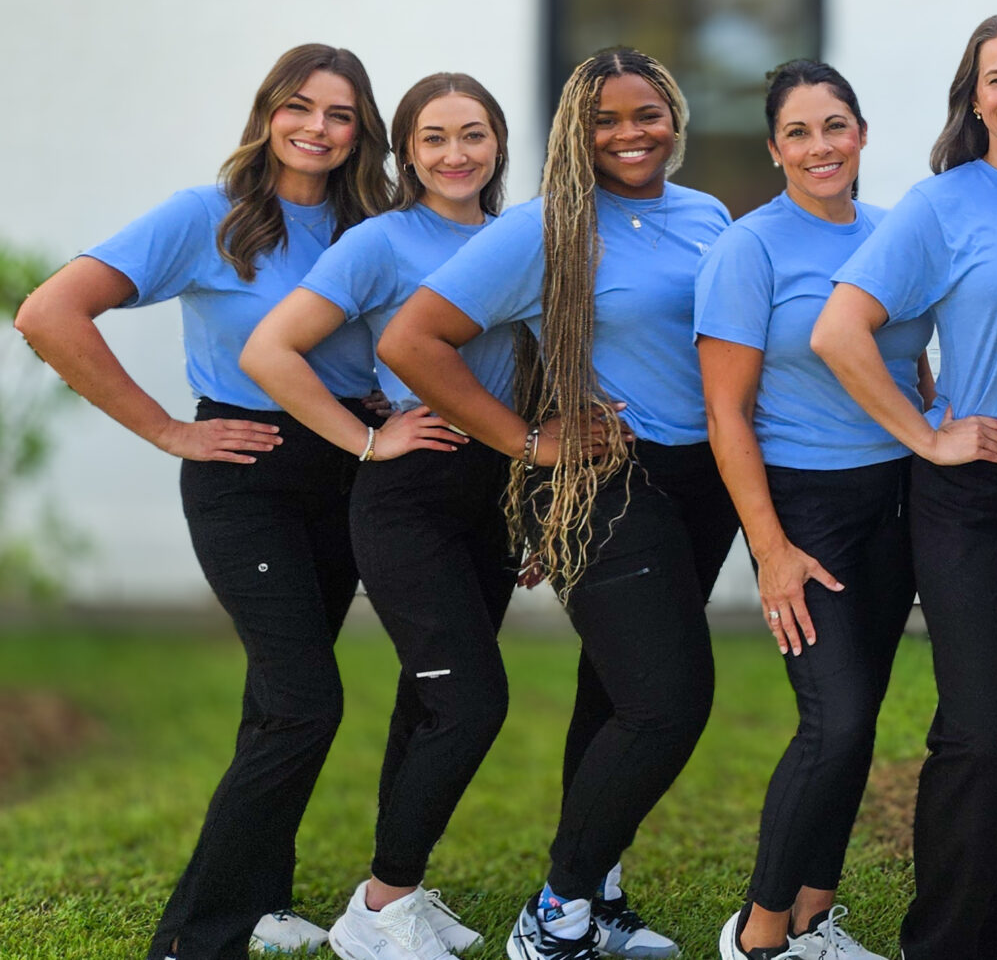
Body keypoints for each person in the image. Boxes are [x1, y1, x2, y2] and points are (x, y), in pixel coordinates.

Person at [16, 43, 393, 960]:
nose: (317, 127)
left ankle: (262, 900)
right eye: (300, 106)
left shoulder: (373, 226)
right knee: (305, 703)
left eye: (340, 114)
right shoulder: (206, 215)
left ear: (361, 132)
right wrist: (165, 429)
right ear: (268, 112)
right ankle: (195, 937)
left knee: (279, 692)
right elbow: (48, 312)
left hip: (346, 467)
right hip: (245, 474)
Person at [381, 47, 735, 960]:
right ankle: (555, 911)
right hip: (602, 484)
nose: (629, 133)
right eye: (604, 119)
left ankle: (597, 891)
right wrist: (524, 439)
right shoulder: (547, 227)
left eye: (646, 113)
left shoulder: (708, 214)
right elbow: (414, 338)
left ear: (676, 119)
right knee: (669, 700)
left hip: (705, 481)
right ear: (574, 132)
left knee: (617, 689)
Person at [240, 72, 525, 960]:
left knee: (427, 704)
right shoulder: (381, 242)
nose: (455, 153)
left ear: (499, 144)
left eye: (472, 134)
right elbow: (269, 350)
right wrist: (365, 443)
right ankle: (376, 905)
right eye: (433, 137)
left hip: (494, 499)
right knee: (472, 702)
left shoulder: (520, 238)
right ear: (406, 153)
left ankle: (401, 885)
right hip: (409, 498)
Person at [815, 14, 997, 960]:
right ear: (974, 97)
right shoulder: (942, 203)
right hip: (979, 491)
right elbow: (839, 331)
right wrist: (926, 435)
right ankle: (942, 943)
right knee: (979, 733)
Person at [698, 60, 930, 960]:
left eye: (835, 125)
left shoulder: (890, 233)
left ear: (862, 134)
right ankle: (756, 937)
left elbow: (906, 366)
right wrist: (772, 550)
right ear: (774, 149)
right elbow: (726, 413)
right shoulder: (749, 249)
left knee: (860, 714)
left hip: (895, 502)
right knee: (831, 719)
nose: (820, 145)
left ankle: (812, 918)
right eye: (798, 132)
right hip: (804, 511)